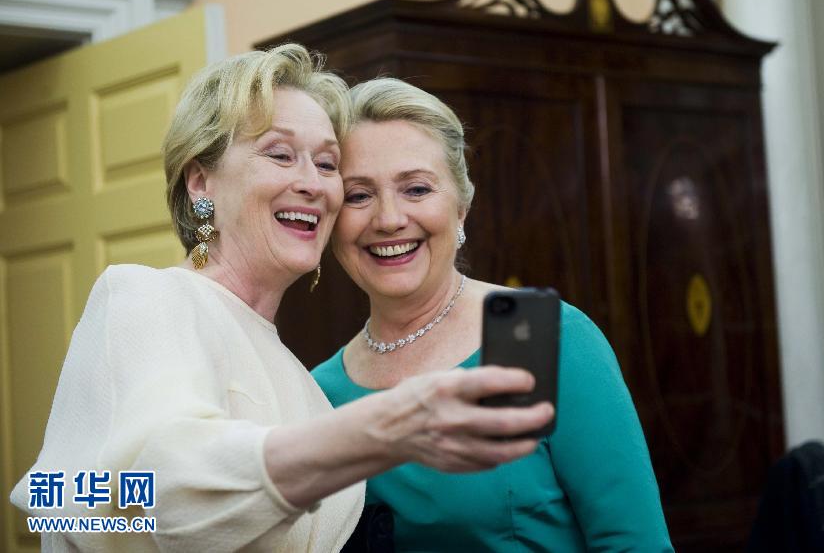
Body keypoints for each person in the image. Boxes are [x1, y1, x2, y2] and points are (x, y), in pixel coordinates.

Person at [9, 45, 555, 552]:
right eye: (280, 154)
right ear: (201, 182)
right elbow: (65, 504)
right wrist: (383, 429)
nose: (314, 184)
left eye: (326, 163)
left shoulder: (304, 381)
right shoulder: (147, 297)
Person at [313, 77, 674, 551]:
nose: (389, 219)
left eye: (417, 189)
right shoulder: (321, 393)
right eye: (359, 195)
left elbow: (634, 543)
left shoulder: (537, 334)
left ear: (461, 206)